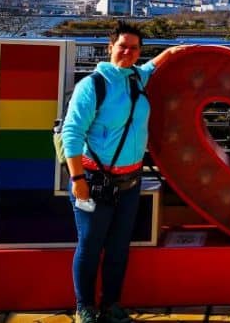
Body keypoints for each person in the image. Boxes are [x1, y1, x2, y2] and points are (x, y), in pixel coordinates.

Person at [61, 21, 184, 323]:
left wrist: (175, 51)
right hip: (93, 180)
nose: (128, 52)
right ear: (110, 48)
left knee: (118, 248)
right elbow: (71, 134)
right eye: (122, 47)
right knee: (90, 246)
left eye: (134, 48)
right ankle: (84, 307)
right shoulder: (93, 85)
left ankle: (111, 305)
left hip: (129, 182)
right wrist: (77, 180)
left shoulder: (136, 78)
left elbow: (153, 66)